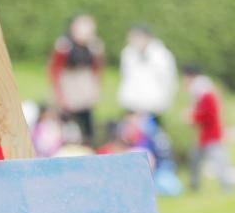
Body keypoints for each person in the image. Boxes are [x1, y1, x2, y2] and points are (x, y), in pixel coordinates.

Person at [48, 14, 104, 145]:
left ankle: (87, 143)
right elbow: (55, 69)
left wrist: (95, 87)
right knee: (66, 120)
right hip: (68, 83)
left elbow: (97, 68)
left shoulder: (94, 46)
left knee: (86, 120)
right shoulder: (64, 45)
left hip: (84, 84)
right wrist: (59, 95)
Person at [117, 25, 177, 127]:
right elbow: (126, 77)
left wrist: (162, 102)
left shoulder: (161, 55)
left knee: (150, 135)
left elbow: (168, 80)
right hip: (132, 103)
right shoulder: (128, 53)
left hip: (152, 105)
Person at [182, 65, 230, 191]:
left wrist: (191, 117)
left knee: (220, 163)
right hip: (205, 135)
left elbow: (207, 113)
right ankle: (194, 187)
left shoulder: (205, 93)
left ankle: (227, 188)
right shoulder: (201, 91)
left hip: (211, 135)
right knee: (195, 161)